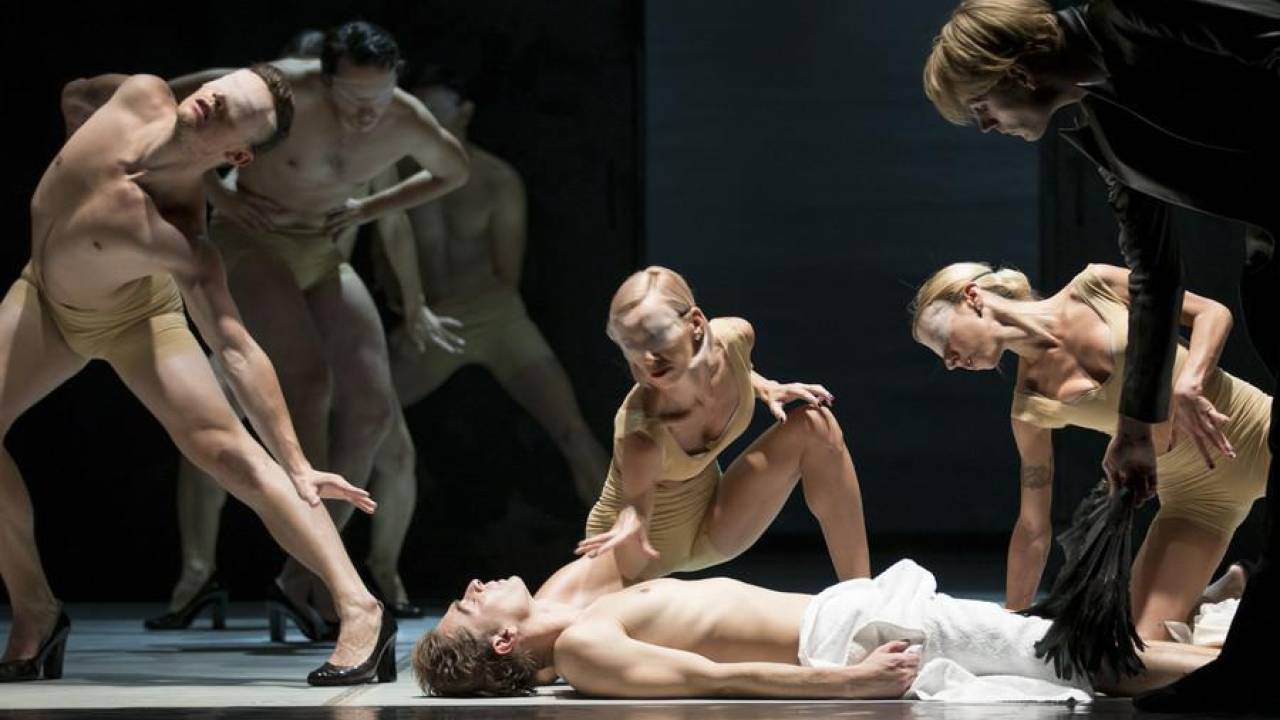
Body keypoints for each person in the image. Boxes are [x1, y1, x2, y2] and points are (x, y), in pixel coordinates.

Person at [923, 0, 1280, 711]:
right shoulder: (1102, 130)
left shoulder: (1133, 13)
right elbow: (1154, 271)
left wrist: (1187, 384)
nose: (987, 127)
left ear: (1014, 70)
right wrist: (1135, 429)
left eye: (981, 108)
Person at [0, 65, 394, 685]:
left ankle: (360, 608)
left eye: (234, 110)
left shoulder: (182, 238)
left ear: (236, 155)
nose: (214, 100)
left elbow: (236, 348)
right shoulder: (138, 94)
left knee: (231, 455)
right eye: (221, 89)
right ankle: (35, 611)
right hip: (40, 297)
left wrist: (297, 462)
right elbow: (75, 94)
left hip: (134, 321)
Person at [165, 20, 470, 639]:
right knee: (308, 387)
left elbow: (452, 170)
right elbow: (166, 103)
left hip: (322, 252)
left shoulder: (403, 117)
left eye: (377, 97)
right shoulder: (281, 85)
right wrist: (221, 196)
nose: (365, 114)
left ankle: (301, 575)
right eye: (352, 99)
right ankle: (321, 578)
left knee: (372, 410)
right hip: (252, 242)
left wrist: (368, 207)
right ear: (325, 81)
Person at [911, 261, 1270, 640]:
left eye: (944, 342)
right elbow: (1032, 526)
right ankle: (1224, 600)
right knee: (1134, 652)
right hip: (1196, 501)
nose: (949, 363)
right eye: (941, 357)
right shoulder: (1029, 409)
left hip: (1256, 432)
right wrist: (1010, 623)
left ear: (972, 297)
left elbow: (1212, 313)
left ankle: (1222, 602)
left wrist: (1190, 382)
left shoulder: (1096, 285)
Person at [413, 559, 1218, 699]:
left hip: (849, 613)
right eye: (468, 605)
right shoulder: (583, 649)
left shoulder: (572, 613)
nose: (474, 586)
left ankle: (1225, 657)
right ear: (503, 642)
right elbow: (716, 681)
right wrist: (846, 680)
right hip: (851, 636)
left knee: (1083, 649)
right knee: (1084, 660)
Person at [578, 266, 870, 583]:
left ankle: (862, 594)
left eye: (656, 336)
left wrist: (766, 387)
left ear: (695, 324)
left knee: (816, 425)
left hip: (711, 527)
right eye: (632, 346)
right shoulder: (641, 433)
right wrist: (632, 517)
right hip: (634, 553)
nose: (648, 358)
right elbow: (636, 523)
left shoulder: (734, 337)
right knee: (554, 612)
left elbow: (731, 367)